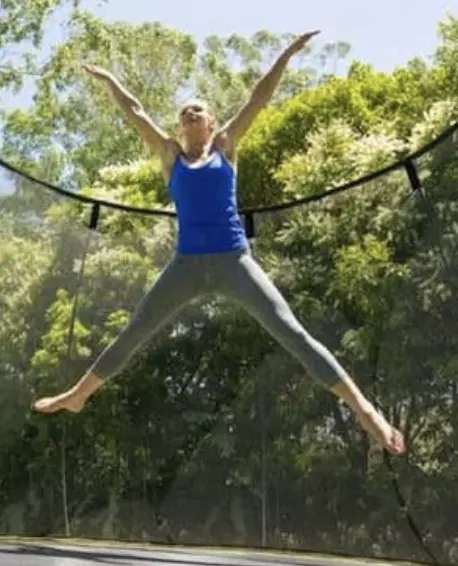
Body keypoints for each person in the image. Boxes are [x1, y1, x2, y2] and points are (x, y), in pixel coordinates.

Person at [33, 30, 405, 455]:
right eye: (185, 111)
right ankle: (79, 394)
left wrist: (287, 53)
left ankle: (364, 410)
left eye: (200, 110)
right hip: (186, 265)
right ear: (180, 127)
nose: (191, 112)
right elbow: (135, 110)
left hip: (234, 260)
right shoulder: (170, 155)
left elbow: (258, 98)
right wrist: (107, 78)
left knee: (292, 333)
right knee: (136, 329)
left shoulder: (226, 148)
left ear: (212, 124)